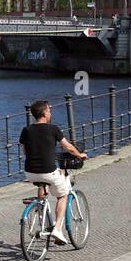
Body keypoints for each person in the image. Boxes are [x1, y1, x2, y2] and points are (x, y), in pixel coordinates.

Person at [19, 100, 87, 246]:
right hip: (48, 171)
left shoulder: (26, 130)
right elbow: (68, 147)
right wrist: (79, 155)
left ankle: (41, 210)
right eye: (49, 111)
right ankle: (57, 229)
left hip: (29, 172)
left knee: (42, 184)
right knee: (62, 195)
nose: (50, 113)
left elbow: (25, 151)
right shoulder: (53, 129)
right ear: (44, 113)